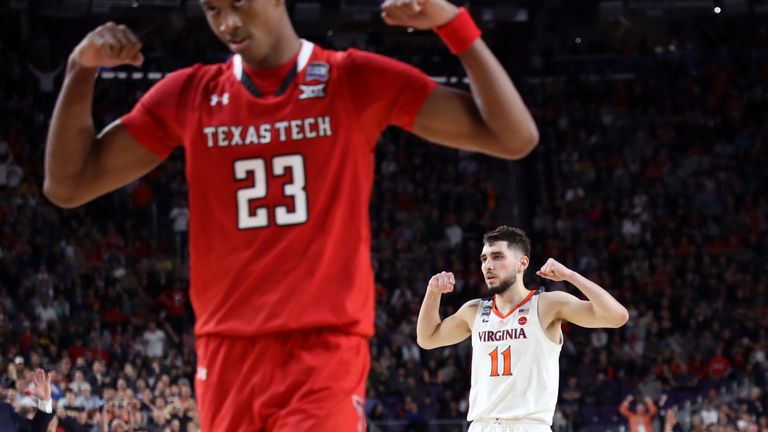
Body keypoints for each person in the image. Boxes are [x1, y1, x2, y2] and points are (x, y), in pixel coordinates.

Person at [44, 0, 539, 429]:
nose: (227, 21)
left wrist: (454, 24)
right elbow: (67, 185)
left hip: (323, 348)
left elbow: (513, 137)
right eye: (212, 9)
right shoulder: (188, 94)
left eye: (238, 3)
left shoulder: (352, 78)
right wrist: (80, 69)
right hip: (225, 348)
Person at [416, 226, 629, 431]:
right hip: (482, 425)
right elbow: (427, 338)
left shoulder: (547, 305)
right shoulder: (474, 311)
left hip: (528, 425)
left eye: (497, 257)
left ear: (522, 263)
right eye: (484, 258)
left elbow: (616, 316)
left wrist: (570, 276)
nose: (488, 265)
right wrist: (433, 292)